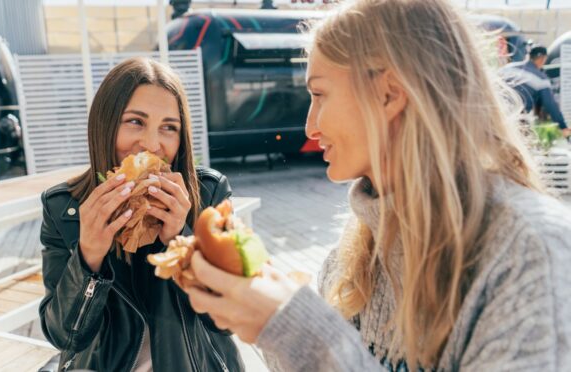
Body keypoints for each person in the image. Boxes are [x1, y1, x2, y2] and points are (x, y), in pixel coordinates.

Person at [180, 1, 571, 371]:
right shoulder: (353, 252)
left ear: (389, 94)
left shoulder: (530, 249)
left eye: (319, 94)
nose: (310, 127)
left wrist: (297, 329)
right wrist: (261, 315)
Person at [39, 57, 244, 371]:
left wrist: (183, 241)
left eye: (168, 128)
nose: (151, 144)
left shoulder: (207, 194)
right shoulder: (63, 208)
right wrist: (88, 256)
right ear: (104, 126)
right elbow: (63, 337)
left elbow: (229, 319)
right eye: (135, 121)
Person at [502, 45, 570, 136]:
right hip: (516, 118)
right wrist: (563, 126)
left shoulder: (507, 68)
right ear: (542, 58)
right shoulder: (541, 79)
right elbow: (550, 105)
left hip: (496, 111)